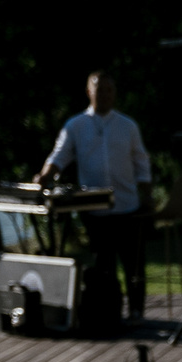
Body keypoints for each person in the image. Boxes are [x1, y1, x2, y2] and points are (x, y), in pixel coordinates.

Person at [39, 69, 152, 326]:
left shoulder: (127, 125)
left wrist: (147, 195)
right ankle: (110, 310)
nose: (105, 95)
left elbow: (141, 161)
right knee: (104, 263)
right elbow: (59, 156)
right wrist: (44, 176)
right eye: (100, 90)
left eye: (110, 90)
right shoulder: (76, 125)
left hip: (127, 206)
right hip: (95, 209)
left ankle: (137, 312)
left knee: (134, 263)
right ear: (89, 92)